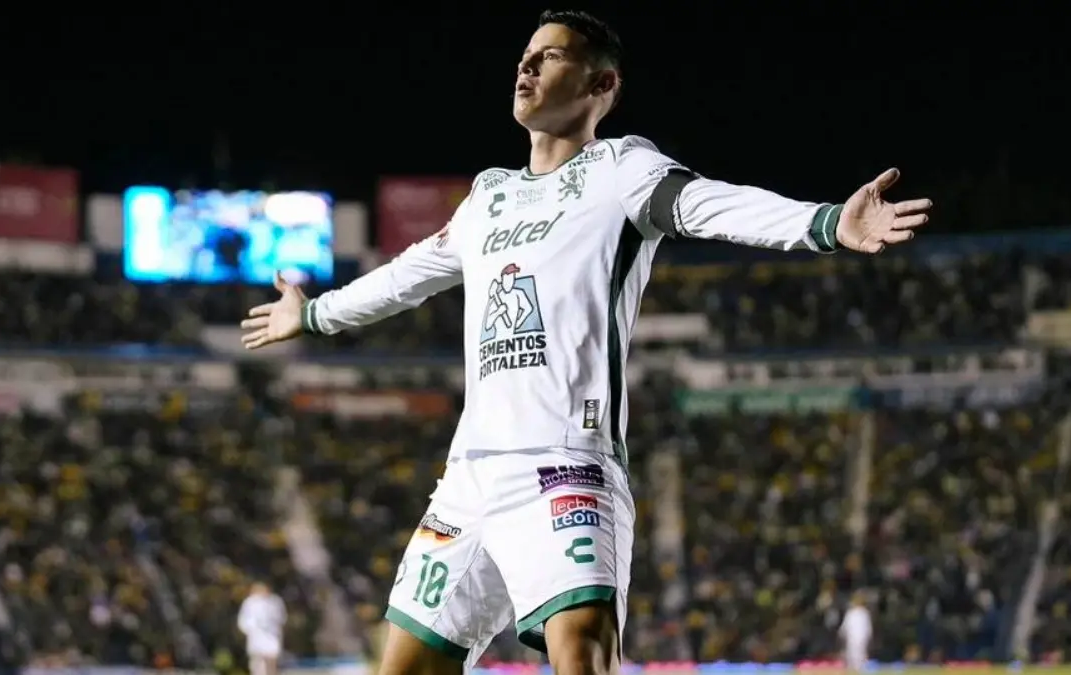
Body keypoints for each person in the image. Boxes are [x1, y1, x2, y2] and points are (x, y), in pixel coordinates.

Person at [239, 9, 932, 675]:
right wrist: (316, 314)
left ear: (603, 86)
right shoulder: (489, 199)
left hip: (565, 467)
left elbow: (706, 204)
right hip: (467, 483)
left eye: (550, 56)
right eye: (524, 57)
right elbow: (409, 274)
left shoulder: (621, 171)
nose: (526, 67)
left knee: (581, 660)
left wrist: (826, 222)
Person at [237, 582, 287, 675]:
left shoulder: (275, 601)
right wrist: (249, 629)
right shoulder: (250, 602)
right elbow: (244, 619)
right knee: (257, 660)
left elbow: (281, 617)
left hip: (272, 634)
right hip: (256, 635)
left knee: (272, 658)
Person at [839, 593, 873, 673]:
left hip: (857, 637)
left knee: (857, 654)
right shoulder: (854, 613)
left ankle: (858, 668)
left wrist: (842, 633)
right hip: (855, 637)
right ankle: (855, 668)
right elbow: (846, 626)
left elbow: (845, 627)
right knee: (855, 654)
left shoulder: (863, 613)